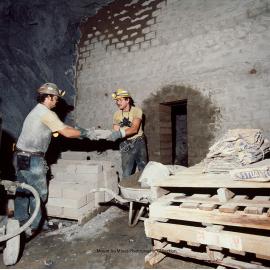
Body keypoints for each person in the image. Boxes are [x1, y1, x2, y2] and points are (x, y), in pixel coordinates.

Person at [14, 82, 98, 235]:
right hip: (33, 158)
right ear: (49, 97)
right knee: (38, 193)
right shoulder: (47, 113)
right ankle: (36, 226)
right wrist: (87, 133)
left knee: (22, 189)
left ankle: (19, 220)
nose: (57, 101)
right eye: (56, 98)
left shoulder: (36, 111)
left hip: (20, 156)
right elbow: (67, 132)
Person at [108, 88, 147, 178]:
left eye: (120, 100)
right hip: (125, 143)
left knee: (143, 169)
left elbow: (134, 129)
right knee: (126, 172)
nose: (118, 102)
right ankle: (126, 191)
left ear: (127, 100)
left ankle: (146, 190)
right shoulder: (117, 114)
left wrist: (119, 134)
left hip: (138, 141)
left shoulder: (137, 111)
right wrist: (107, 137)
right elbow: (116, 130)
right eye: (117, 100)